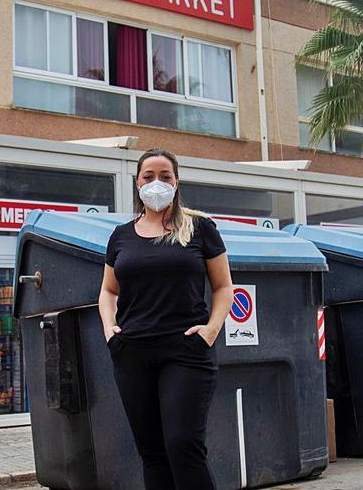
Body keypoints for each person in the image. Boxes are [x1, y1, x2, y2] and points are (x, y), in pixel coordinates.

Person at [99, 149, 234, 489]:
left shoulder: (200, 228)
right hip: (132, 352)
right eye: (148, 176)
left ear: (176, 182)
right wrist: (110, 332)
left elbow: (223, 287)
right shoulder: (121, 235)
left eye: (164, 176)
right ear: (137, 182)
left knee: (182, 445)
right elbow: (108, 291)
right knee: (152, 452)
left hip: (185, 349)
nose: (156, 183)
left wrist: (211, 330)